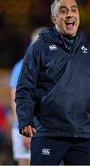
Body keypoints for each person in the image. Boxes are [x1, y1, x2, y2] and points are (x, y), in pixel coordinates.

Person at [15, 0, 90, 165]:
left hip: (83, 135)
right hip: (48, 133)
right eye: (63, 10)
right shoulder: (39, 48)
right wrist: (25, 119)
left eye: (74, 10)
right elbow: (24, 88)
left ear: (78, 16)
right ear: (54, 18)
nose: (69, 14)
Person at [10, 27, 46, 165]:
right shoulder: (22, 66)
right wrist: (25, 128)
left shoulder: (49, 66)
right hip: (27, 126)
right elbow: (16, 100)